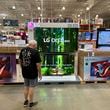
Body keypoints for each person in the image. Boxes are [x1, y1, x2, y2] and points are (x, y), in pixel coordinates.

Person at [19, 40, 42, 108]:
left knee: (26, 86)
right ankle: (31, 103)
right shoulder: (35, 52)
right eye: (36, 45)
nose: (36, 46)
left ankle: (26, 101)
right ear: (34, 45)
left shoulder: (23, 50)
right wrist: (40, 74)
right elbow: (38, 65)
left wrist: (22, 67)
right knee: (31, 87)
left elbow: (20, 60)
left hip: (25, 72)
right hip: (33, 73)